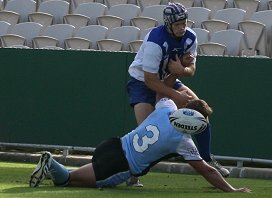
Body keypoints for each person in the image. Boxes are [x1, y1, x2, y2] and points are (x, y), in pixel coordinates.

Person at [29, 97, 251, 193]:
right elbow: (208, 170)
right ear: (193, 122)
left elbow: (165, 92)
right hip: (119, 165)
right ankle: (50, 163)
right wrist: (231, 189)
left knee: (74, 176)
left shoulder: (166, 108)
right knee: (69, 182)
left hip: (112, 145)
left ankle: (51, 168)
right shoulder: (182, 141)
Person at [126, 2, 229, 186]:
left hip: (168, 77)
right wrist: (176, 95)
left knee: (200, 110)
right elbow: (150, 80)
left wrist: (181, 69)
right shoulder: (155, 41)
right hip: (142, 82)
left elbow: (192, 70)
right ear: (168, 25)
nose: (182, 27)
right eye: (177, 24)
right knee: (150, 132)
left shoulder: (190, 37)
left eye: (184, 23)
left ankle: (207, 157)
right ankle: (133, 172)